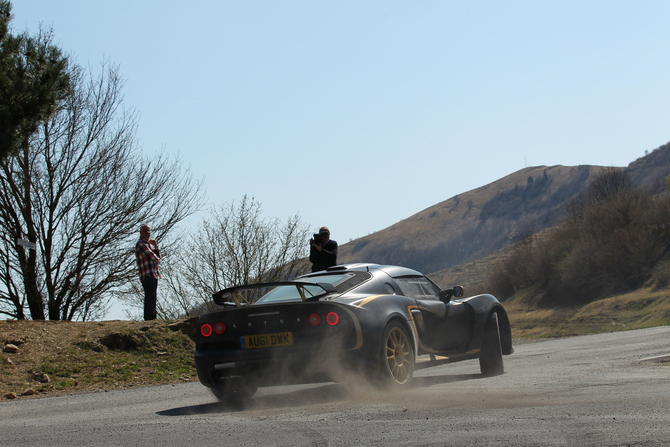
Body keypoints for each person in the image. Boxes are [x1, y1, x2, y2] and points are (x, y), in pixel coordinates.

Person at [135, 224, 161, 320]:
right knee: (150, 298)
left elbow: (157, 256)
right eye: (145, 231)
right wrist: (156, 257)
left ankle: (152, 318)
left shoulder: (148, 245)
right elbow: (154, 257)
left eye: (148, 231)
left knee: (152, 297)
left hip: (153, 274)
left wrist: (156, 246)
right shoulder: (141, 244)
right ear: (141, 233)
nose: (147, 233)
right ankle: (150, 319)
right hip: (147, 275)